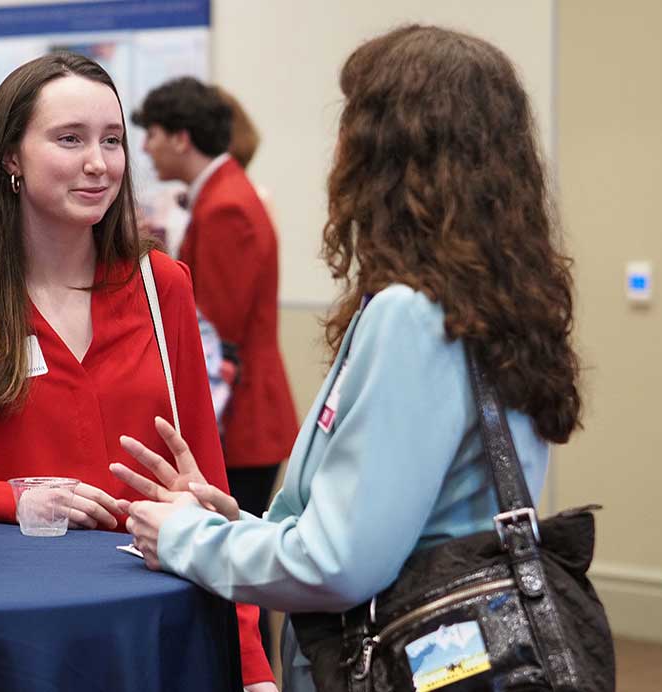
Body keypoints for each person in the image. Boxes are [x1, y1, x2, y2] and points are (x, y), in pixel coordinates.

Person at [114, 25, 581, 692]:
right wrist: (227, 521)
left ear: (386, 149)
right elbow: (406, 524)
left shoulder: (412, 315)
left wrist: (185, 539)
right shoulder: (502, 297)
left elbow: (339, 565)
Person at [0, 52, 276, 690]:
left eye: (113, 140)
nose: (100, 163)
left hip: (152, 626)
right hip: (5, 636)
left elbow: (207, 484)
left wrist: (252, 663)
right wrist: (6, 500)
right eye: (71, 139)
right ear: (11, 156)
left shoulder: (163, 286)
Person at [131, 77, 299, 527]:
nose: (145, 148)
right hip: (245, 404)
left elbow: (214, 327)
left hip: (241, 412)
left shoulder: (225, 205)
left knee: (238, 560)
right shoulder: (222, 193)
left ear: (181, 138)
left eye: (152, 134)